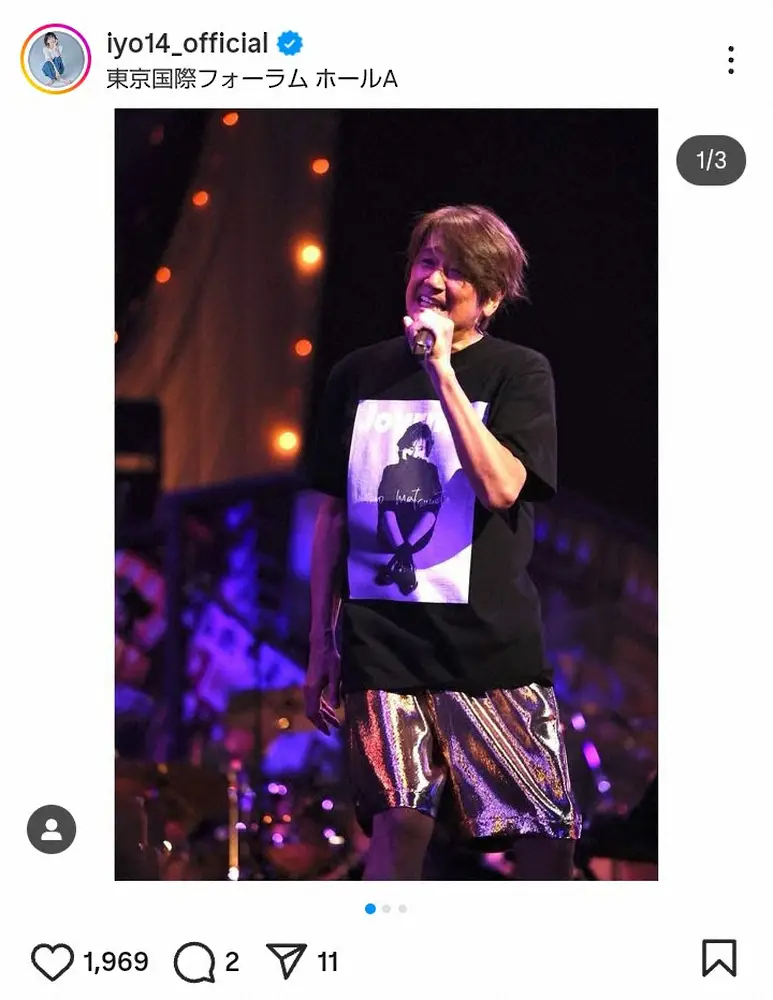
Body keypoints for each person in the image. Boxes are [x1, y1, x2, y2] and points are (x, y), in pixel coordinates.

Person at [304, 204, 581, 880]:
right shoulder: (356, 375)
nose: (431, 279)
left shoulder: (518, 373)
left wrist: (443, 373)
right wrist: (320, 642)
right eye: (426, 261)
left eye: (455, 271)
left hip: (488, 649)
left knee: (546, 841)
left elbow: (501, 488)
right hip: (383, 644)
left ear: (489, 298)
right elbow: (333, 517)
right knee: (399, 823)